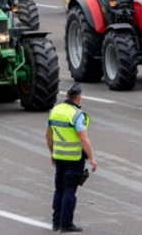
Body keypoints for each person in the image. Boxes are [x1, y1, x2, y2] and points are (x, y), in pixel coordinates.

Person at [46, 83, 97, 233]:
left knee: (59, 190)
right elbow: (83, 137)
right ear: (79, 98)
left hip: (59, 157)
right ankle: (66, 224)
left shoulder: (55, 111)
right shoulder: (76, 115)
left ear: (66, 96)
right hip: (74, 159)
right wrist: (92, 158)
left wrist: (52, 153)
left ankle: (56, 222)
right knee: (70, 191)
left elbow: (48, 135)